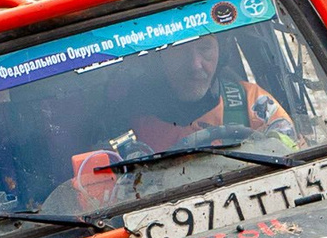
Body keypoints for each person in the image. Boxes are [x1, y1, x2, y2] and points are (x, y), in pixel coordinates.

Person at [126, 33, 295, 153]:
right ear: (158, 58)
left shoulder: (252, 103)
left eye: (205, 48)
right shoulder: (129, 122)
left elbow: (293, 159)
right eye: (180, 50)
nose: (195, 65)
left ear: (221, 53)